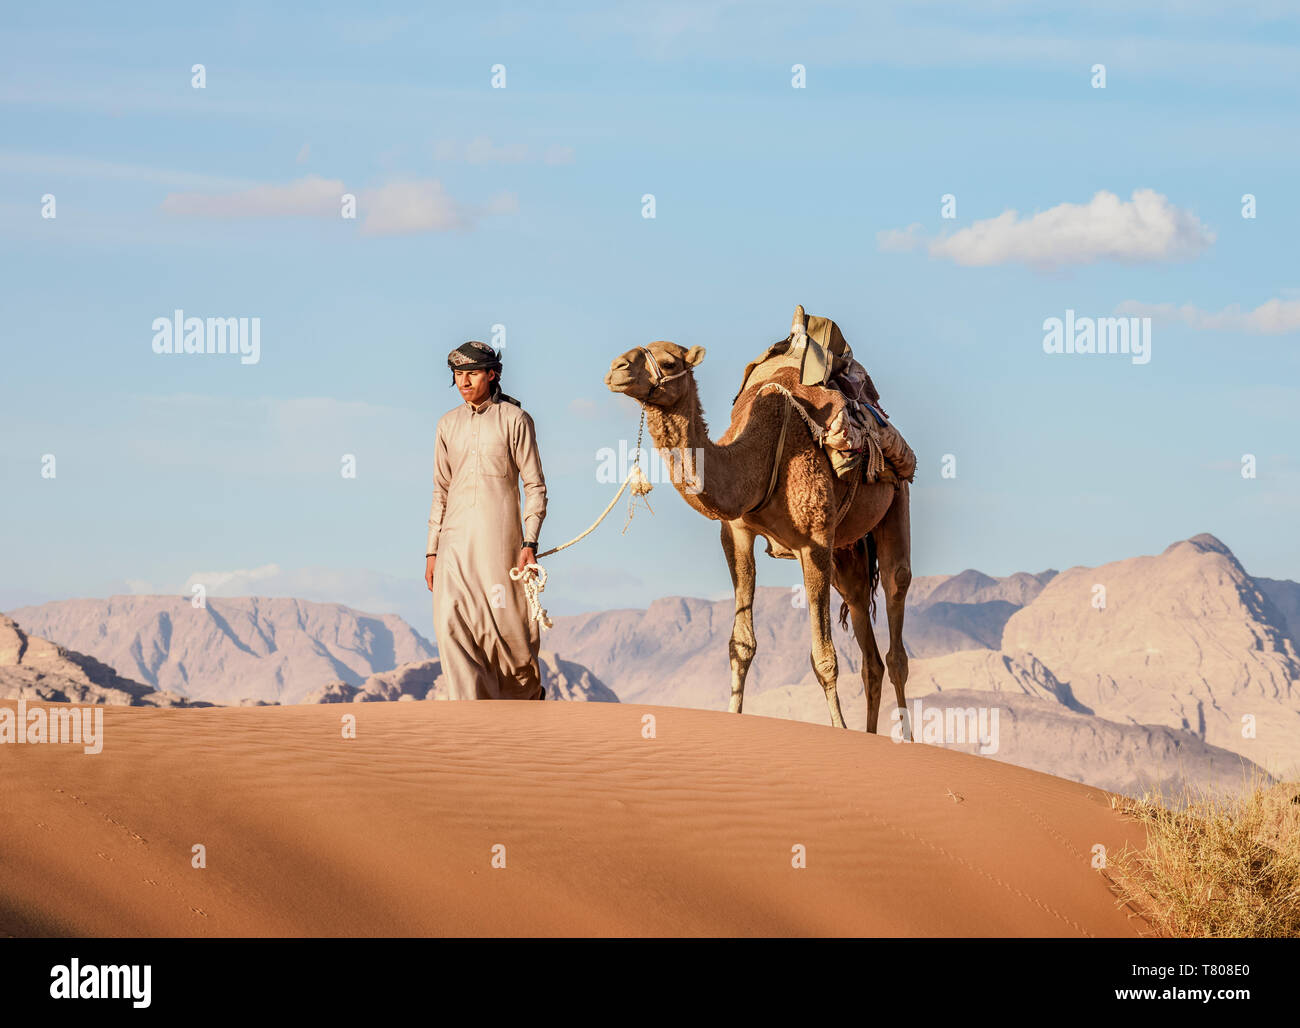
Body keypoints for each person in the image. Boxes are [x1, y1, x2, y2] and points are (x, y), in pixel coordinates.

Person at [424, 341, 548, 700]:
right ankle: (469, 723)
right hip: (453, 547)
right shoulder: (447, 424)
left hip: (501, 546)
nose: (464, 382)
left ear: (491, 374)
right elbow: (440, 491)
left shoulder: (515, 420)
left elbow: (535, 486)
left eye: (472, 374)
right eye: (458, 375)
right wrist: (431, 552)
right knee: (451, 624)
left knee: (511, 636)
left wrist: (530, 543)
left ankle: (522, 706)